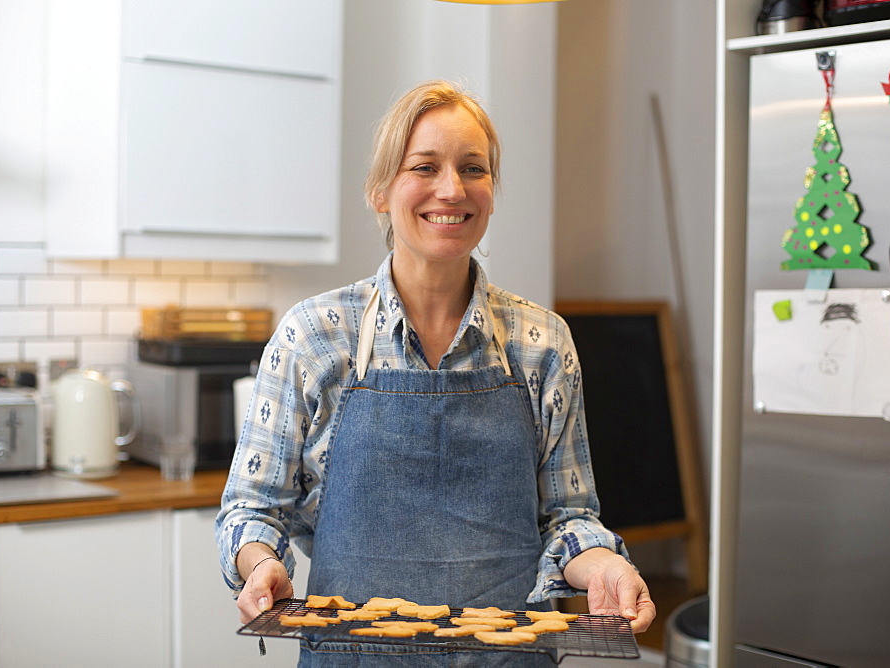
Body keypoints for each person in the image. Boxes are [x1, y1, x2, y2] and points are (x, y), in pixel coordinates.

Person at [216, 79, 655, 666]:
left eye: (474, 169)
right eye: (425, 166)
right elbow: (250, 509)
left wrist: (606, 565)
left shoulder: (542, 344)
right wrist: (261, 565)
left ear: (492, 191)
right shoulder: (315, 337)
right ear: (380, 190)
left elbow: (567, 516)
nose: (453, 189)